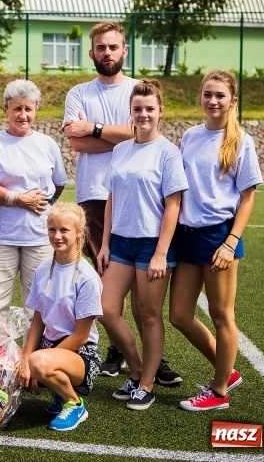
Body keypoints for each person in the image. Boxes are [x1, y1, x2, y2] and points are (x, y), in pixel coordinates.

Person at [63, 21, 182, 386]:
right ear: (92, 52)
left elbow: (139, 133)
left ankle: (150, 363)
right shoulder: (79, 93)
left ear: (124, 51)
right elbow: (76, 142)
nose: (107, 53)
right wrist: (115, 134)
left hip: (138, 198)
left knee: (143, 296)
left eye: (113, 47)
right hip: (95, 195)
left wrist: (94, 128)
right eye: (101, 47)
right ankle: (122, 351)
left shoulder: (137, 91)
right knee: (108, 282)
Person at [169, 70, 263, 411]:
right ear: (200, 97)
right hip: (187, 236)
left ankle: (219, 391)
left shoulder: (241, 141)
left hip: (219, 236)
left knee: (222, 316)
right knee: (179, 315)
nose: (213, 101)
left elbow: (247, 198)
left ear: (232, 100)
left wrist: (230, 242)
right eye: (207, 94)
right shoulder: (190, 136)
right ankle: (227, 370)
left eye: (220, 95)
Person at [96, 80, 188, 411]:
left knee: (148, 315)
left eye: (150, 109)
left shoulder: (168, 152)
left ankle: (147, 385)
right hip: (121, 243)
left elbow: (173, 205)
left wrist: (161, 252)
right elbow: (111, 198)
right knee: (105, 308)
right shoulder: (121, 149)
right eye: (138, 109)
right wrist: (105, 244)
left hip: (152, 245)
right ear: (130, 112)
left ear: (160, 111)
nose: (144, 114)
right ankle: (136, 370)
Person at [0, 79, 67, 336]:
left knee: (39, 304)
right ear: (5, 110)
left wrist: (42, 204)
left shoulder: (47, 144)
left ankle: (33, 358)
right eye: (17, 108)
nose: (23, 115)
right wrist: (19, 199)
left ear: (36, 110)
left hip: (39, 237)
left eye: (28, 109)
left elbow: (58, 184)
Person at [19, 202, 103, 432]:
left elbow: (81, 336)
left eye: (64, 230)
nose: (57, 236)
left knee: (37, 362)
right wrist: (25, 358)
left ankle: (74, 403)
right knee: (12, 360)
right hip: (49, 347)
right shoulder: (42, 270)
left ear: (79, 232)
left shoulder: (87, 277)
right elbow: (38, 320)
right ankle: (58, 390)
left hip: (80, 353)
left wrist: (37, 361)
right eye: (52, 229)